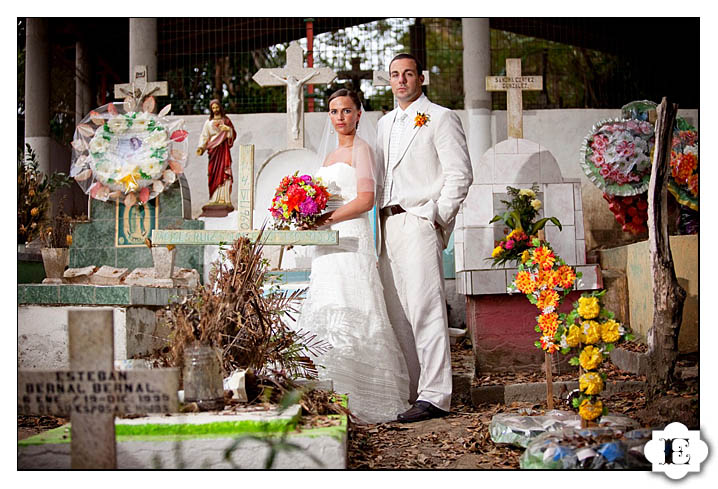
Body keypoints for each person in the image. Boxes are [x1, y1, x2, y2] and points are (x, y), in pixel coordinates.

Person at [297, 88, 410, 424]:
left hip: (351, 239)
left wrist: (325, 220)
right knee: (328, 305)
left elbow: (365, 199)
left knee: (356, 307)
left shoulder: (363, 151)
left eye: (346, 111)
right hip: (326, 245)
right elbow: (322, 199)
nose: (340, 118)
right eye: (334, 112)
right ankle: (329, 392)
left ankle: (366, 394)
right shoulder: (328, 159)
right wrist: (303, 215)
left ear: (359, 114)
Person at [376, 53, 473, 423]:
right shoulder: (383, 124)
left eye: (408, 74)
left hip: (417, 220)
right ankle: (415, 391)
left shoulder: (441, 117)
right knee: (399, 314)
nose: (401, 80)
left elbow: (460, 174)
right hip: (385, 226)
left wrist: (435, 217)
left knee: (426, 310)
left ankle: (436, 396)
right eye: (395, 75)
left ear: (421, 79)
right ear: (389, 81)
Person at [196, 99, 236, 211]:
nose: (215, 110)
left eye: (217, 107)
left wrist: (227, 129)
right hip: (213, 151)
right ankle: (214, 198)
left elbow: (232, 134)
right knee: (213, 173)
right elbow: (204, 136)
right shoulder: (208, 123)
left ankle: (225, 199)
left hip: (223, 150)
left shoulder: (226, 120)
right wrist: (201, 147)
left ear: (220, 107)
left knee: (224, 171)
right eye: (213, 108)